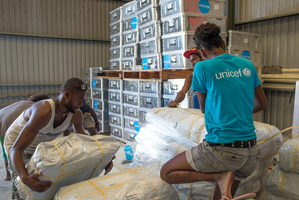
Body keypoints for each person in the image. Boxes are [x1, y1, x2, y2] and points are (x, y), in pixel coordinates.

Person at [160, 23, 267, 200]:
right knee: (223, 196)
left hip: (222, 149)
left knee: (167, 172)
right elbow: (262, 104)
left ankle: (217, 176)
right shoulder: (248, 66)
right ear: (223, 44)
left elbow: (203, 108)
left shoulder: (202, 68)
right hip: (250, 152)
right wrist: (239, 110)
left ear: (201, 51)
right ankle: (222, 178)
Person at [4, 78, 114, 199]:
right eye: (80, 100)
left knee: (46, 184)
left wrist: (103, 157)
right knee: (24, 188)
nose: (82, 104)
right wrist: (24, 177)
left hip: (39, 145)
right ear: (67, 94)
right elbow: (17, 149)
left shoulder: (76, 115)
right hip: (17, 144)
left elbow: (84, 144)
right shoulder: (44, 111)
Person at [0, 94, 50, 181]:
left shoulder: (23, 103)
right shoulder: (34, 107)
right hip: (7, 127)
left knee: (5, 152)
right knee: (13, 150)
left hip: (2, 121)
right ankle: (16, 174)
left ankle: (8, 174)